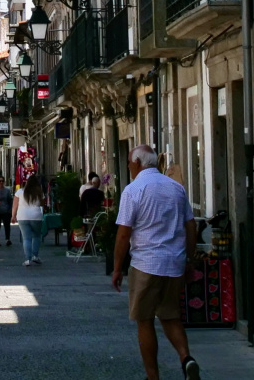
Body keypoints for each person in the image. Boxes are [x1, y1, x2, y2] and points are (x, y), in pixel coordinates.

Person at [111, 145, 201, 380]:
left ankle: (153, 377)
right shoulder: (176, 188)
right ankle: (186, 358)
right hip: (174, 264)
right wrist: (189, 259)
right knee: (171, 316)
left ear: (138, 163)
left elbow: (123, 234)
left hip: (146, 264)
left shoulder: (133, 190)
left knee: (145, 319)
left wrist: (117, 267)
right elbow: (191, 226)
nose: (129, 167)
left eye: (130, 163)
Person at [12, 175, 46, 266]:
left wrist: (13, 216)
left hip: (22, 216)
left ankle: (28, 259)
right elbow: (43, 204)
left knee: (26, 238)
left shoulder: (20, 192)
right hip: (36, 216)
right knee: (36, 236)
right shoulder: (39, 192)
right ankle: (35, 255)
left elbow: (15, 205)